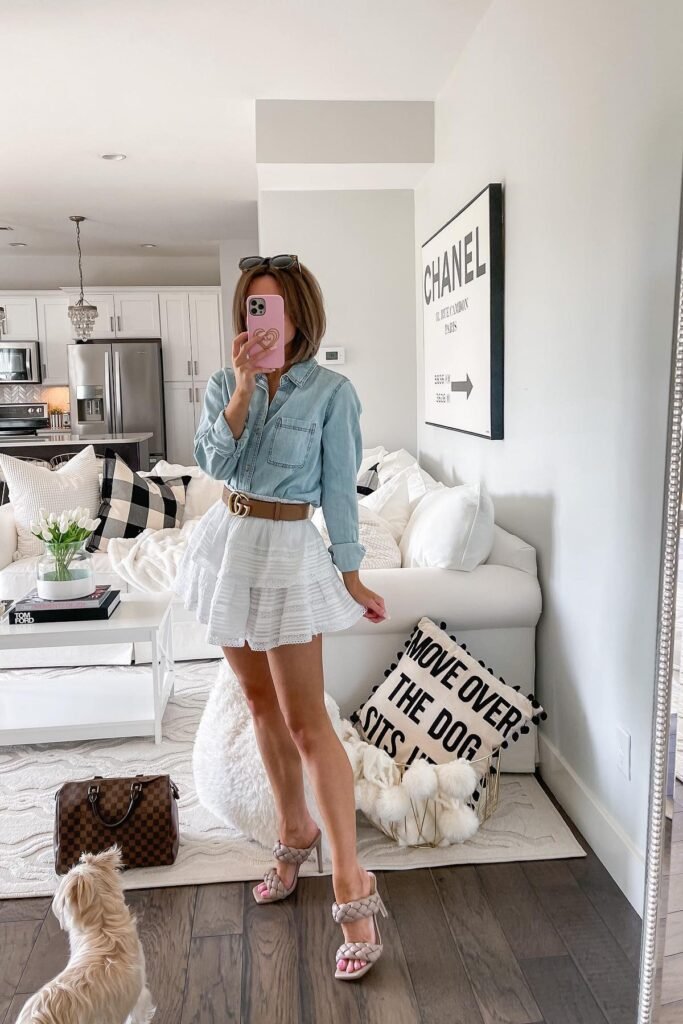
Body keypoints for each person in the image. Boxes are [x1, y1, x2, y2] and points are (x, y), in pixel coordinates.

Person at [175, 254, 389, 981]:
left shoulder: (332, 393)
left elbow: (338, 491)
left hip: (289, 549)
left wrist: (352, 574)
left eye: (269, 309)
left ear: (297, 314)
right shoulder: (220, 383)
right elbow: (213, 461)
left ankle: (351, 884)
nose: (256, 322)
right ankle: (292, 829)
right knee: (258, 703)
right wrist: (240, 388)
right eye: (248, 309)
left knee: (306, 723)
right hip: (228, 544)